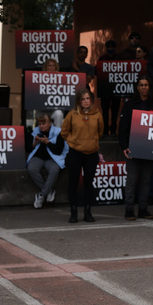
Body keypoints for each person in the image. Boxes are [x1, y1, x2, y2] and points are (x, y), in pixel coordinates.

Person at [60, 89, 104, 223]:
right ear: (79, 101)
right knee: (73, 183)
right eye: (83, 99)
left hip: (91, 154)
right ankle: (73, 213)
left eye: (87, 99)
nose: (85, 101)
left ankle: (87, 212)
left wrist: (92, 141)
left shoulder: (97, 114)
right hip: (75, 153)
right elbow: (64, 132)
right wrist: (73, 142)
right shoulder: (72, 114)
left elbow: (100, 132)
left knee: (88, 184)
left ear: (91, 100)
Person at [118, 76, 153, 220]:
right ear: (137, 87)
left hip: (149, 149)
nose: (144, 87)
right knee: (132, 180)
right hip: (133, 148)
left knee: (146, 180)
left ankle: (143, 209)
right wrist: (124, 147)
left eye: (146, 85)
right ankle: (129, 210)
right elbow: (123, 128)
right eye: (141, 85)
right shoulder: (130, 104)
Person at [27, 112, 66, 209]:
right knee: (32, 168)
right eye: (40, 124)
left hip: (52, 158)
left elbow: (58, 150)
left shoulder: (58, 132)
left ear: (49, 124)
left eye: (44, 124)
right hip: (38, 157)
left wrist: (47, 142)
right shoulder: (35, 131)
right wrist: (35, 143)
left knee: (55, 170)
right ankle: (49, 191)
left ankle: (41, 195)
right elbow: (28, 149)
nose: (41, 126)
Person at [97, 40, 119, 135]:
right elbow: (97, 71)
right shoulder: (102, 58)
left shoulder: (119, 58)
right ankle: (105, 131)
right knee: (105, 113)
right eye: (109, 47)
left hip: (117, 90)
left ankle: (113, 130)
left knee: (115, 113)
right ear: (106, 48)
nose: (110, 48)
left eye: (112, 47)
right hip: (105, 90)